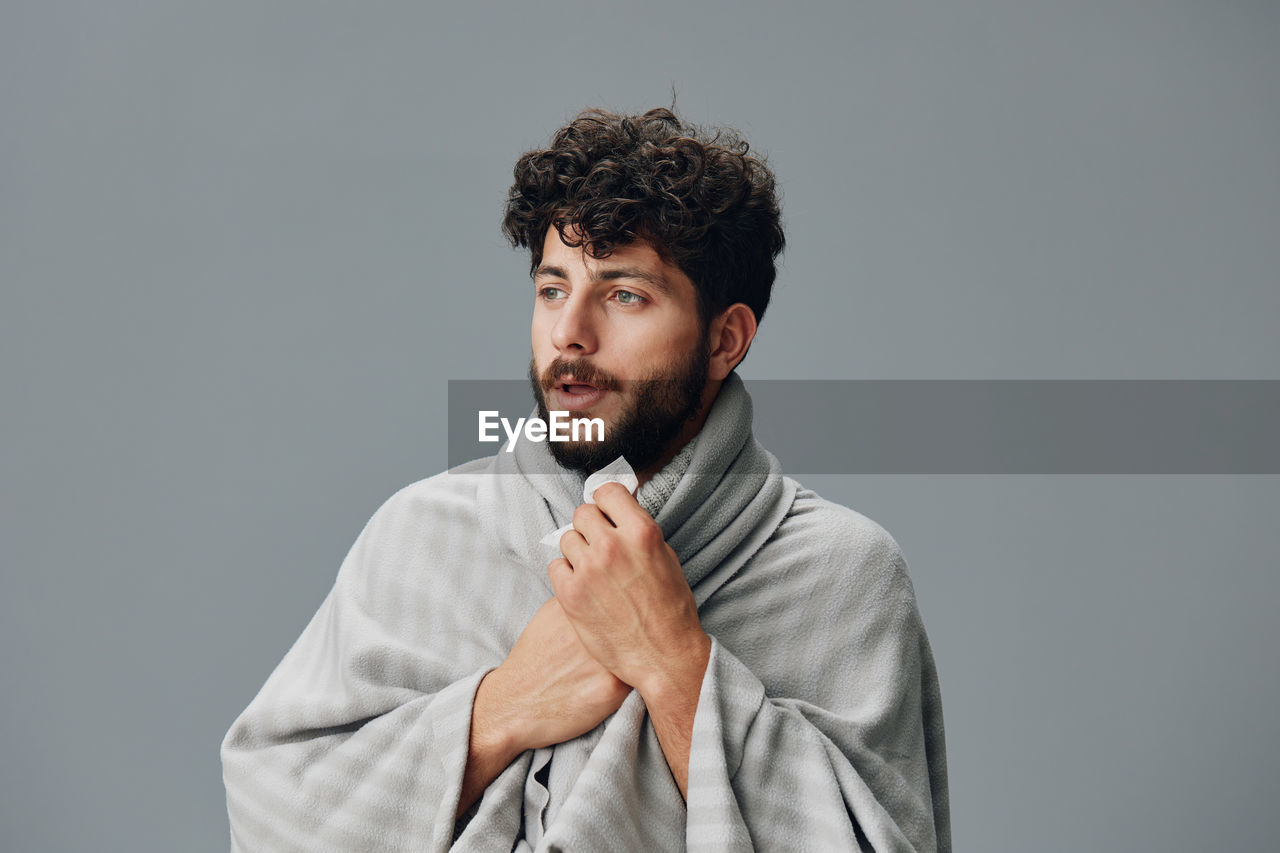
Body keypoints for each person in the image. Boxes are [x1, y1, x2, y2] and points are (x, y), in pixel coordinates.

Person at [221, 107, 950, 852]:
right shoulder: (421, 534)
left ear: (725, 339)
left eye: (624, 294)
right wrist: (497, 711)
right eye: (551, 288)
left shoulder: (839, 573)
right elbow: (273, 804)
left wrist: (674, 663)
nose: (570, 332)